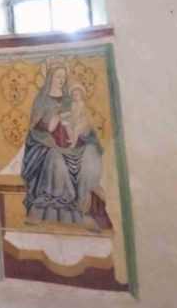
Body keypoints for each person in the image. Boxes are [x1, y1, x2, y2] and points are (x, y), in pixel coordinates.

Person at [20, 62, 112, 229]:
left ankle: (85, 206)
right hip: (50, 147)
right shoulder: (42, 99)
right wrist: (51, 130)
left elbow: (83, 123)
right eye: (58, 76)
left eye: (64, 76)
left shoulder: (71, 99)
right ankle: (61, 211)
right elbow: (35, 129)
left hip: (75, 145)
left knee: (91, 152)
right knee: (55, 159)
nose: (61, 79)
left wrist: (85, 130)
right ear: (50, 78)